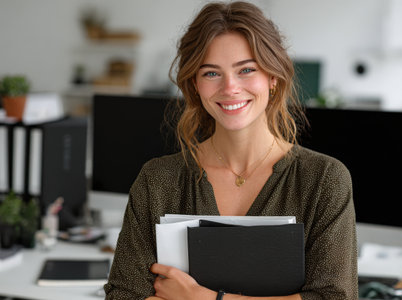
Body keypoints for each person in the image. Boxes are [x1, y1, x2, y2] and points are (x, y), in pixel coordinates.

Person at [104, 1, 357, 300]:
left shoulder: (324, 179)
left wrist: (204, 298)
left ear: (272, 78)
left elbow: (334, 297)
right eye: (211, 73)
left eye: (246, 70)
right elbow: (124, 295)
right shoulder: (158, 179)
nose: (230, 88)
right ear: (195, 84)